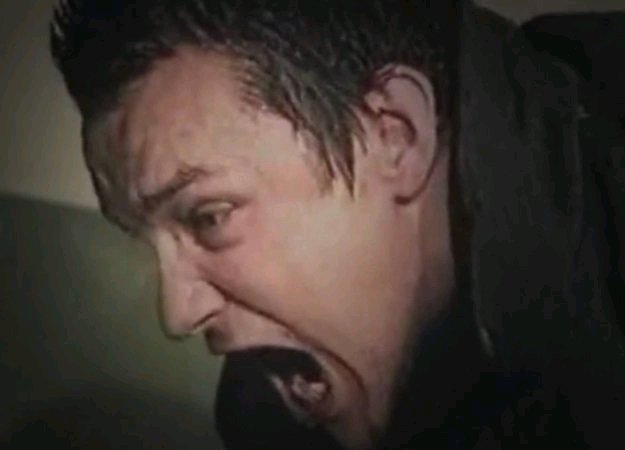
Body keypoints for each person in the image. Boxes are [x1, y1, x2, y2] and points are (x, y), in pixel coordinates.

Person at [49, 0, 625, 449]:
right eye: (143, 240)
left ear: (394, 134)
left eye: (210, 217)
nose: (177, 315)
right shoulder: (268, 418)